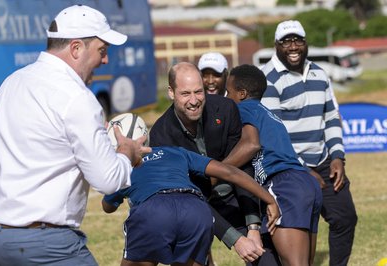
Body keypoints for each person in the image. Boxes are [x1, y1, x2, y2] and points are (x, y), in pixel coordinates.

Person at [0, 5, 150, 265]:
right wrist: (126, 153)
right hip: (44, 243)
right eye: (102, 51)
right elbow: (107, 181)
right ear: (76, 49)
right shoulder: (77, 98)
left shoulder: (11, 83)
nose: (105, 60)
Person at [149, 62, 277, 264]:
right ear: (171, 93)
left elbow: (241, 167)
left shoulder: (225, 109)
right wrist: (235, 239)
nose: (194, 101)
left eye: (198, 92)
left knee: (266, 260)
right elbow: (188, 196)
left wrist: (252, 226)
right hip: (191, 206)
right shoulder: (160, 135)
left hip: (233, 196)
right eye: (185, 94)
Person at [260, 20, 358, 266]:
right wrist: (301, 168)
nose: (293, 46)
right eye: (286, 41)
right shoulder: (268, 79)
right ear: (276, 45)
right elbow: (273, 132)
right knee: (296, 232)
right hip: (288, 167)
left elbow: (331, 116)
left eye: (298, 40)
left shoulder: (320, 73)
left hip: (324, 161)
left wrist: (337, 156)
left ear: (305, 43)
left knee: (344, 218)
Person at [102, 146, 280, 266]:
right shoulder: (174, 151)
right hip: (195, 208)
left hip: (154, 209)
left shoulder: (124, 166)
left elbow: (107, 206)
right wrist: (269, 199)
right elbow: (229, 172)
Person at [223, 64, 323, 265]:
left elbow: (251, 145)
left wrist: (216, 170)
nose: (226, 96)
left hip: (283, 184)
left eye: (229, 91)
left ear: (241, 94)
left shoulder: (243, 108)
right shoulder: (268, 113)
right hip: (304, 183)